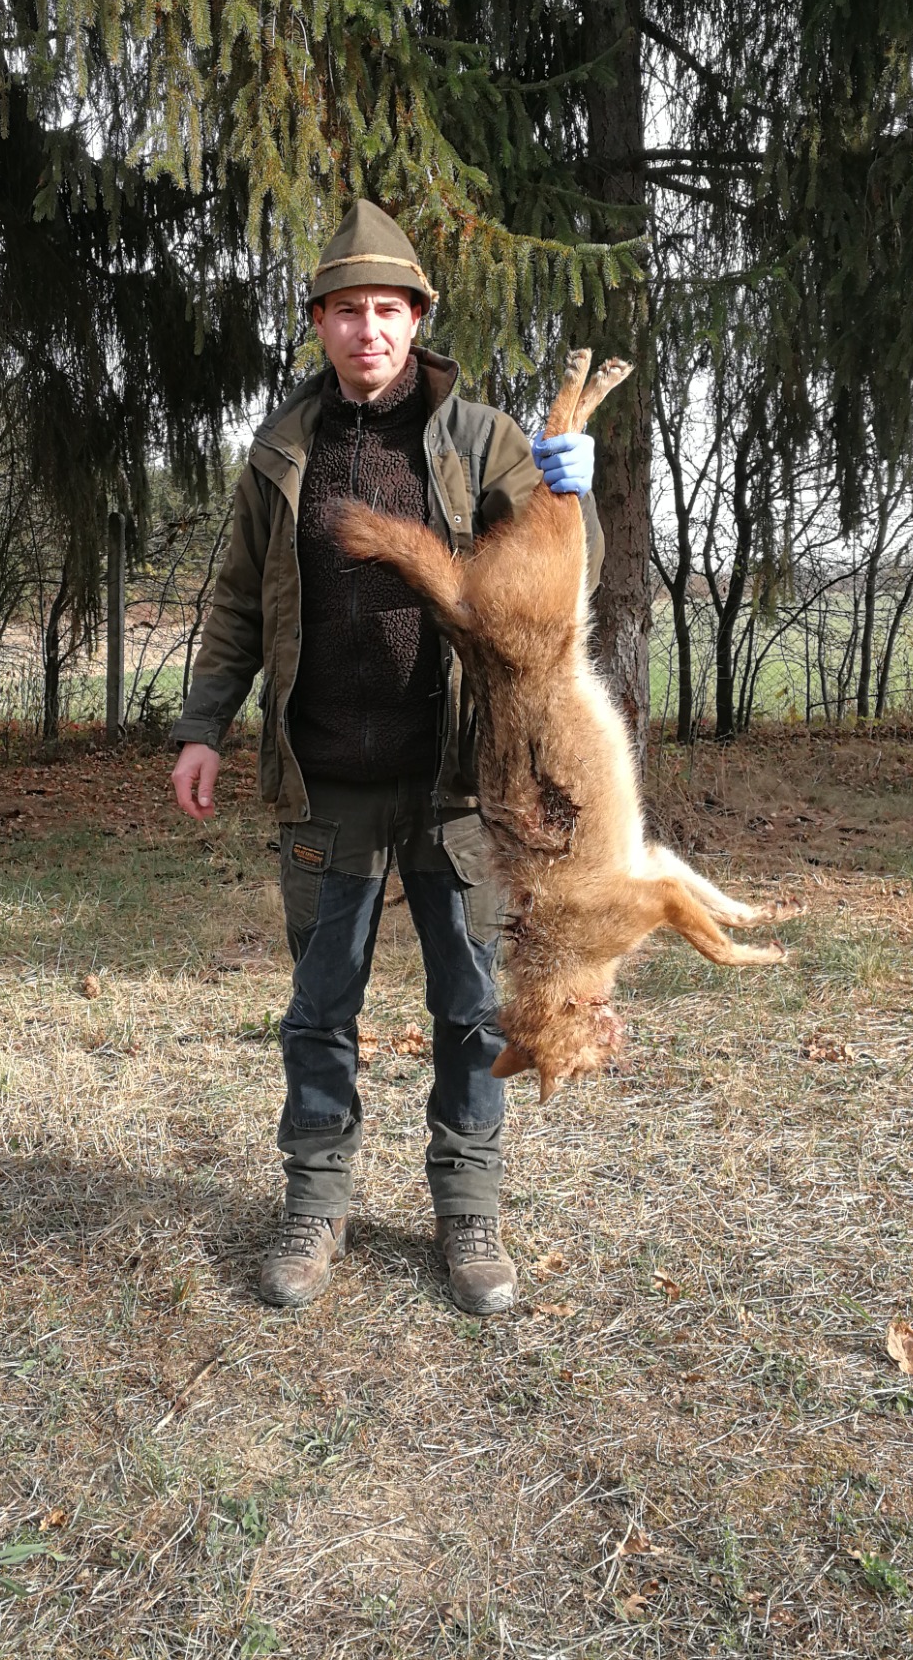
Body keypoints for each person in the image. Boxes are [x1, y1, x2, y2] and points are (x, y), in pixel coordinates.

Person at [169, 200, 601, 1315]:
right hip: (325, 777)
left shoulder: (483, 442)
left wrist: (575, 495)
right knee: (320, 1007)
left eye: (389, 310)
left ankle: (469, 1212)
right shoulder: (282, 454)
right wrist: (204, 726)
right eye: (348, 310)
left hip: (462, 781)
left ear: (418, 320)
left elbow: (561, 576)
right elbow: (236, 603)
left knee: (473, 1005)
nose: (369, 329)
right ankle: (315, 1206)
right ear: (319, 322)